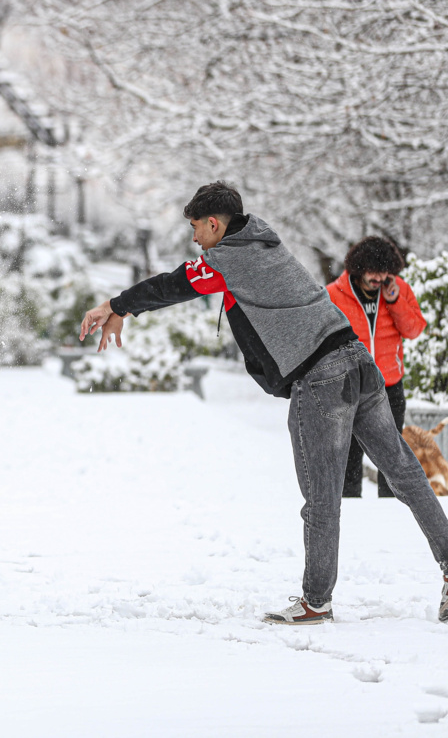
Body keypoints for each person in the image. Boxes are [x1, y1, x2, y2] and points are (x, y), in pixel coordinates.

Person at [79, 182, 448, 625]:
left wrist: (116, 305)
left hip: (322, 377)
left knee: (322, 496)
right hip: (359, 361)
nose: (195, 238)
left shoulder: (229, 258)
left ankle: (316, 602)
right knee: (405, 473)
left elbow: (174, 285)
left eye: (197, 228)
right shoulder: (265, 240)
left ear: (214, 224)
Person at [327, 237, 427, 498]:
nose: (379, 277)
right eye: (372, 270)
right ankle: (349, 511)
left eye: (384, 271)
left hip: (389, 386)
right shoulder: (334, 294)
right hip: (349, 387)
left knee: (392, 457)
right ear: (359, 267)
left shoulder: (398, 289)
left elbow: (414, 329)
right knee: (348, 457)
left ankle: (390, 511)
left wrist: (396, 302)